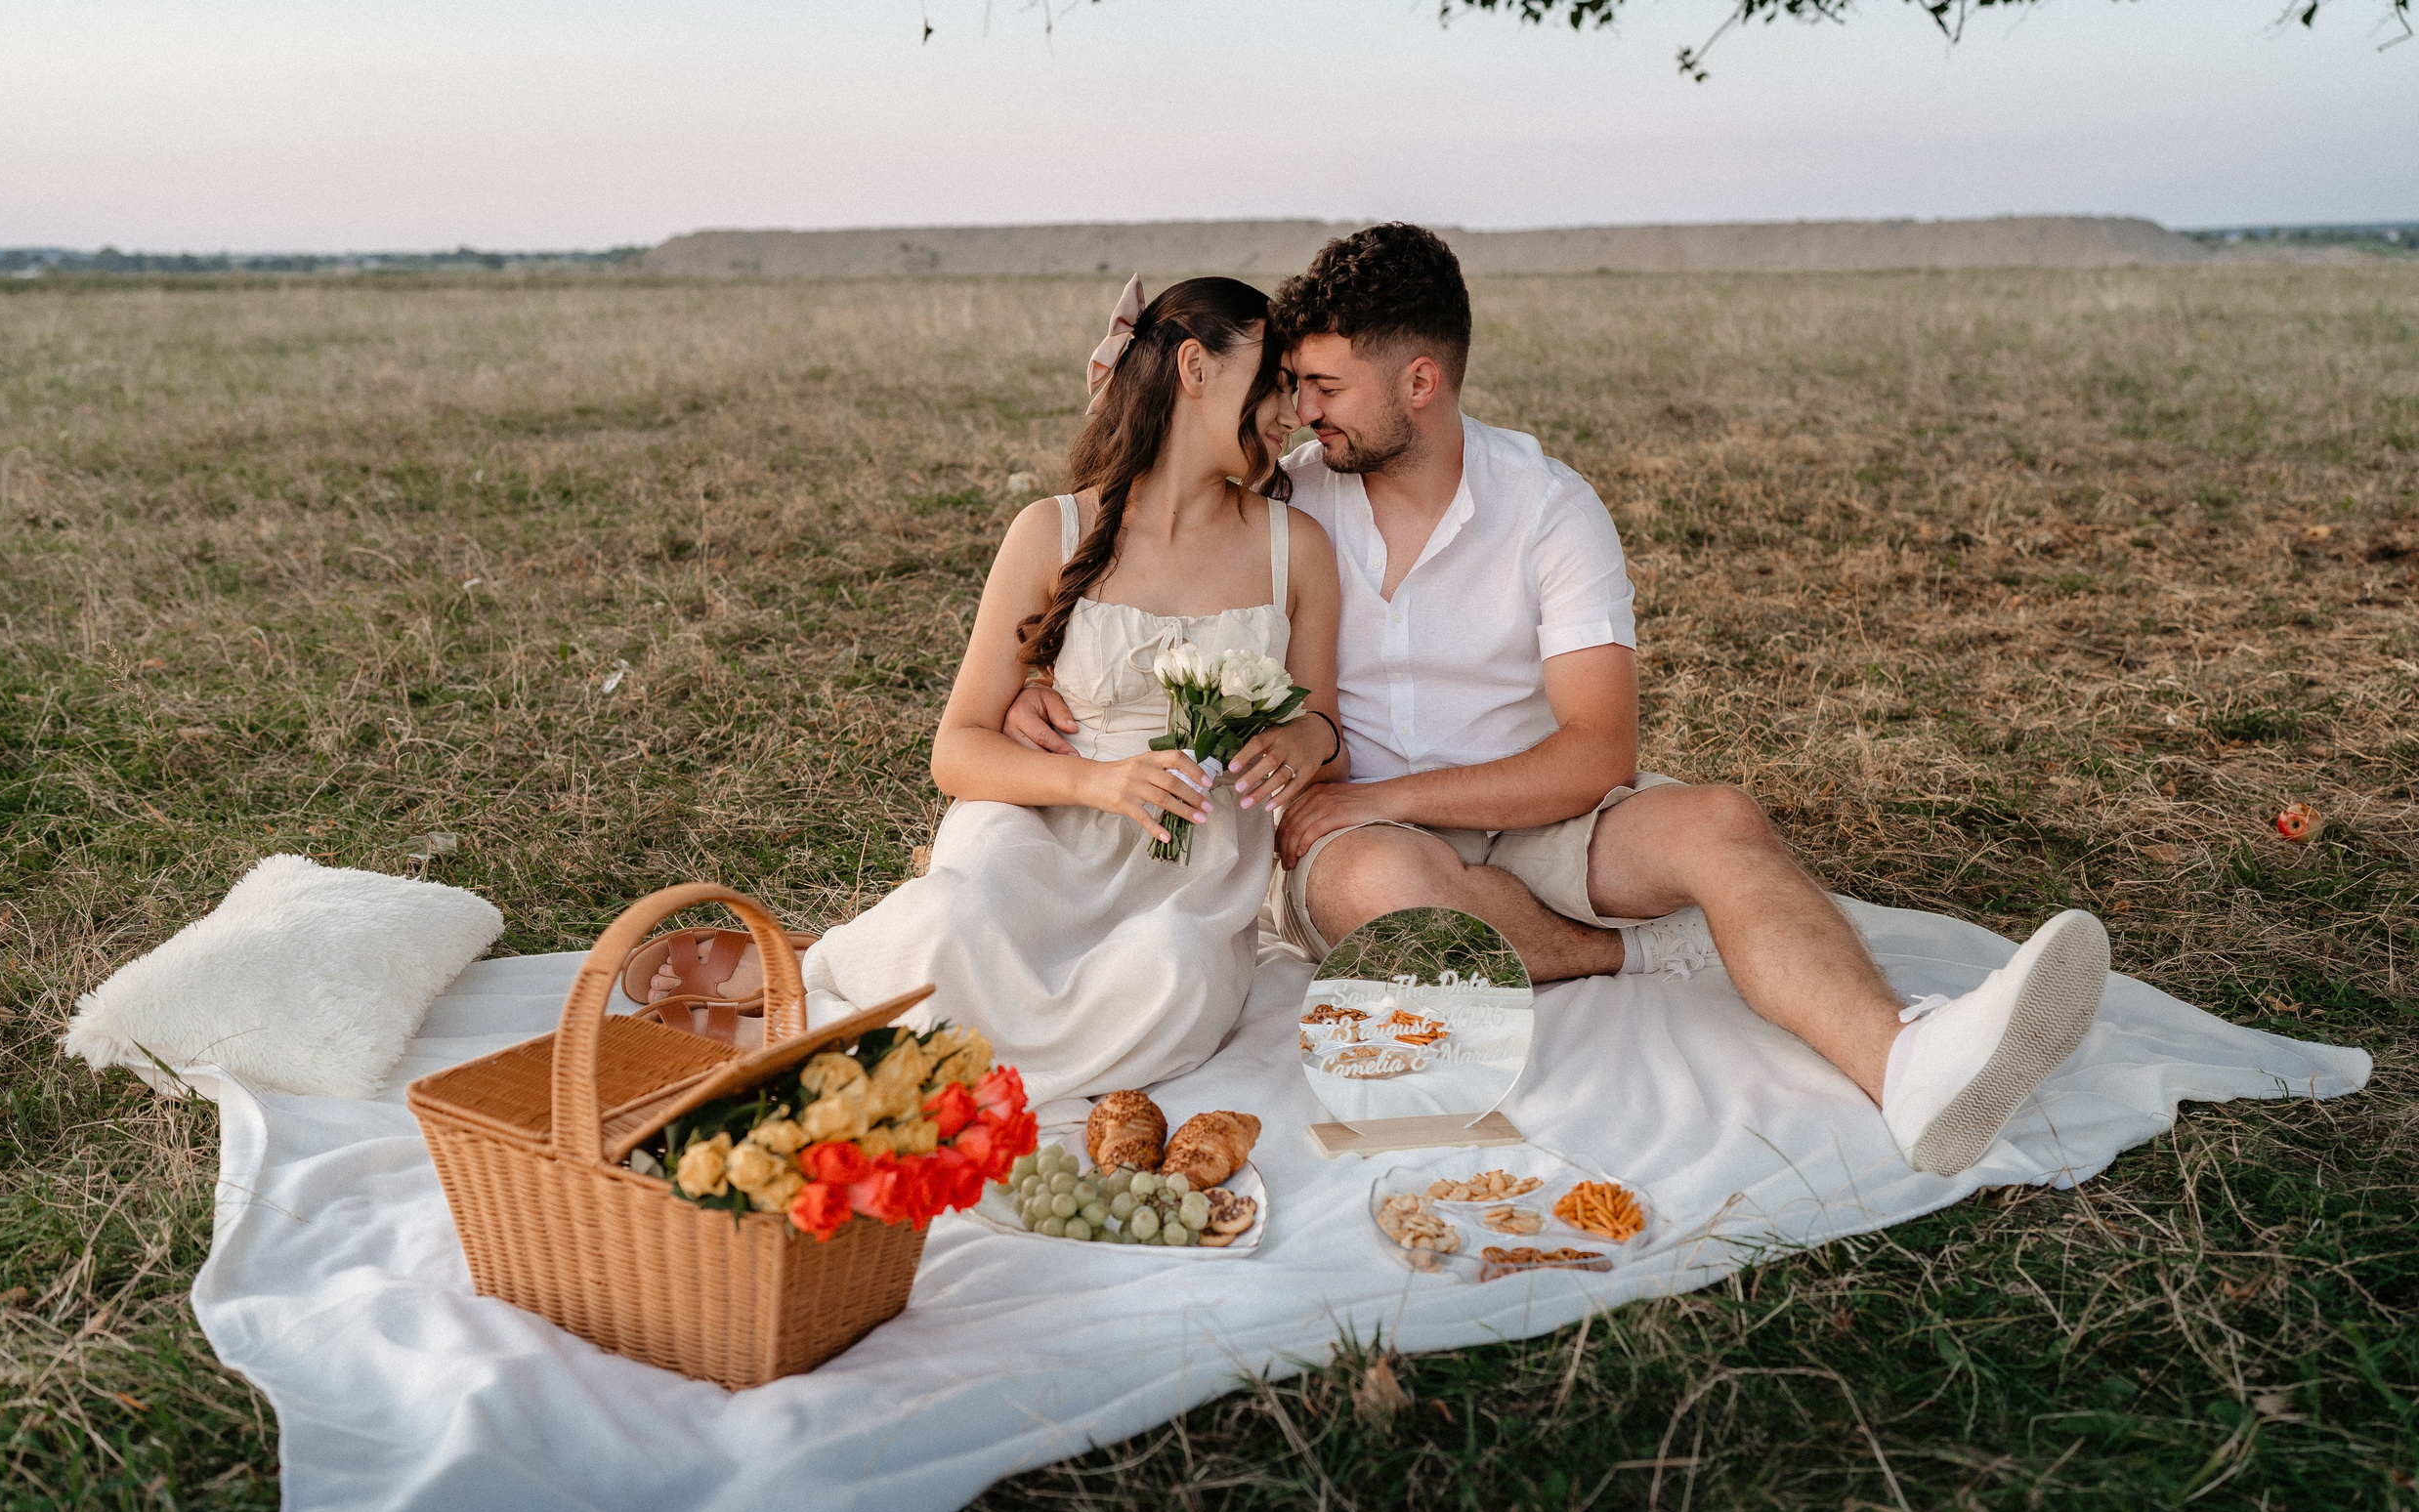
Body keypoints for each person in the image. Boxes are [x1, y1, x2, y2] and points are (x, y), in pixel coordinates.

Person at [1006, 225, 2108, 1176]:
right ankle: (1616, 953)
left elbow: (1595, 754)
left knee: (1718, 822)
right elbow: (1135, 535)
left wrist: (1439, 808)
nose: (1301, 413)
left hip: (1541, 814)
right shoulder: (1287, 494)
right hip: (1358, 837)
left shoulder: (1548, 510)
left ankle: (1908, 1066)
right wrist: (1041, 693)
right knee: (1396, 886)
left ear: (1421, 383)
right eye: (1294, 387)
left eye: (1327, 389)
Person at [734, 275, 1348, 1107]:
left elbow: (1325, 734)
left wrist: (1311, 740)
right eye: (1276, 380)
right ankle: (932, 1012)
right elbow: (956, 751)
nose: (1295, 412)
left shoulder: (1294, 548)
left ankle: (986, 1075)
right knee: (952, 923)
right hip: (1042, 828)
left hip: (1186, 873)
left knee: (1174, 972)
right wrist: (1096, 781)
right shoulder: (1050, 530)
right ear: (1196, 367)